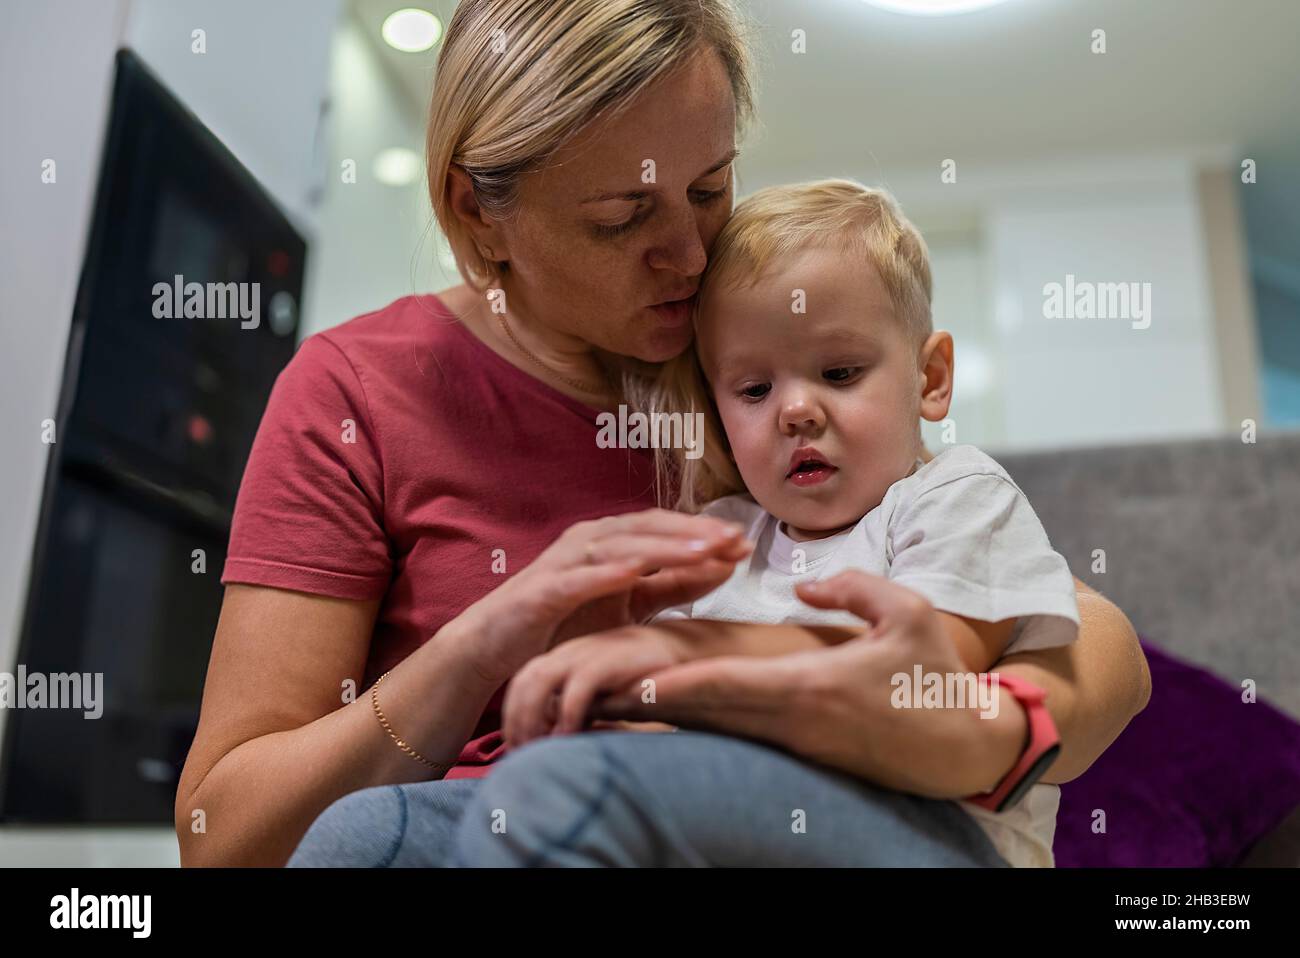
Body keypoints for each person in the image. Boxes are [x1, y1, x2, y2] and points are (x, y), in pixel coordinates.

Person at [174, 0, 1150, 868]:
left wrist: (981, 727)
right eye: (622, 215)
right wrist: (483, 643)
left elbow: (1075, 632)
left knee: (556, 797)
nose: (689, 255)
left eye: (710, 187)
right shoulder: (360, 390)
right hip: (496, 814)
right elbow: (225, 836)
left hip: (766, 804)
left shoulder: (747, 358)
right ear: (479, 212)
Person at [496, 180, 1083, 867]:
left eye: (838, 371)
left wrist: (689, 656)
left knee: (561, 796)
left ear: (930, 379)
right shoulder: (722, 536)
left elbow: (921, 674)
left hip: (928, 832)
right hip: (728, 829)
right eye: (753, 389)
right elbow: (648, 716)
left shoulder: (955, 494)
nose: (795, 410)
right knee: (377, 824)